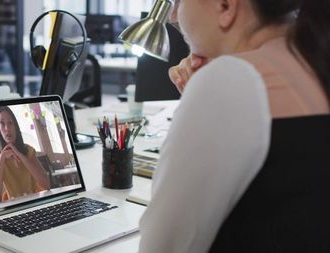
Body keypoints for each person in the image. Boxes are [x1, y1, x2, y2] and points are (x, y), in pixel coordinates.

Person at [139, 0, 330, 252]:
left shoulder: (231, 79)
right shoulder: (312, 63)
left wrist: (206, 93)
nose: (173, 15)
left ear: (226, 6)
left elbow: (163, 246)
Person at [0, 106, 50, 204]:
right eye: (2, 124)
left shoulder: (28, 151)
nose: (7, 128)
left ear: (15, 126)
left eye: (10, 123)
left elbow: (46, 185)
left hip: (34, 202)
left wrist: (19, 154)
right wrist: (2, 158)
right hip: (13, 206)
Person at [0, 0, 17, 73]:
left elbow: (13, 18)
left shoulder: (15, 2)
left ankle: (17, 84)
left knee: (17, 67)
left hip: (12, 39)